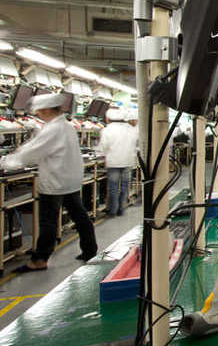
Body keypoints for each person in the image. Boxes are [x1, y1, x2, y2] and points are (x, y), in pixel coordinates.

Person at [1, 94, 97, 270]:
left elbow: (32, 152)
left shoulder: (53, 129)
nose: (38, 114)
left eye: (39, 111)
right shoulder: (65, 126)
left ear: (45, 110)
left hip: (56, 182)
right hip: (69, 180)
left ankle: (40, 259)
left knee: (48, 222)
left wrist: (6, 162)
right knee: (81, 216)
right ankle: (90, 251)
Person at [97, 108, 138, 216]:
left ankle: (113, 211)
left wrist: (102, 153)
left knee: (113, 187)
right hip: (128, 161)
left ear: (108, 118)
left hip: (113, 162)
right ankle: (122, 208)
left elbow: (103, 147)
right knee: (125, 186)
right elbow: (135, 144)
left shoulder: (107, 130)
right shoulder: (131, 129)